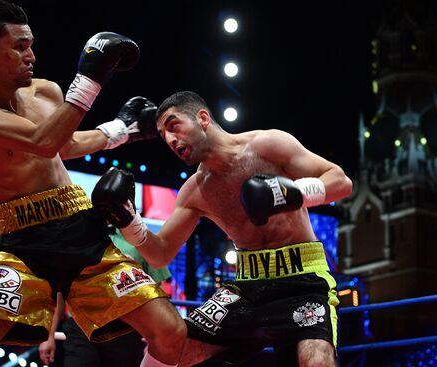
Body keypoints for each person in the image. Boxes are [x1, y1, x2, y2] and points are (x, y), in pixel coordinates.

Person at [0, 1, 187, 366]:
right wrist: (91, 79)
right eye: (20, 46)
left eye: (31, 44)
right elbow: (43, 141)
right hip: (21, 244)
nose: (32, 56)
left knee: (171, 331)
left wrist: (123, 131)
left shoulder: (45, 92)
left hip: (79, 230)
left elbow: (63, 144)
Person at [92, 91, 353, 367]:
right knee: (172, 348)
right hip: (247, 287)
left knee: (317, 361)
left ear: (202, 118)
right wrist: (130, 221)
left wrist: (290, 192)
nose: (170, 139)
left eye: (173, 125)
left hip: (304, 281)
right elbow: (160, 254)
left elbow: (341, 182)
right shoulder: (195, 190)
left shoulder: (268, 145)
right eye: (163, 135)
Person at [38, 226, 173, 366]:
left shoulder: (141, 236)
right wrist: (49, 335)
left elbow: (157, 293)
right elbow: (61, 292)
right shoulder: (75, 237)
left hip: (127, 329)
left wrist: (154, 341)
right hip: (82, 327)